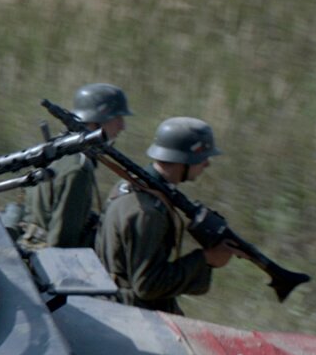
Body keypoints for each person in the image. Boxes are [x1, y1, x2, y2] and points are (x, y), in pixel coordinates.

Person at [95, 117, 237, 315]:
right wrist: (206, 259)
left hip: (112, 302)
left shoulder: (129, 185)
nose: (207, 164)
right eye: (202, 158)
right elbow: (148, 285)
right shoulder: (149, 212)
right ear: (183, 160)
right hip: (130, 314)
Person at [19, 83, 132, 249]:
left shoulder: (52, 150)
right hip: (45, 256)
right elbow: (63, 243)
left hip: (28, 246)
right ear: (98, 120)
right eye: (118, 118)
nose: (122, 126)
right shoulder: (78, 168)